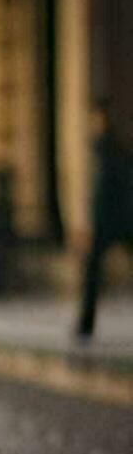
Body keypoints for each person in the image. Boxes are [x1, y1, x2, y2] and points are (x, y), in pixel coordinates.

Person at [76, 119, 133, 339]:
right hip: (119, 222)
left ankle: (85, 324)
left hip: (110, 224)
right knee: (91, 270)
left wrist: (91, 226)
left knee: (91, 270)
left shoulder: (106, 156)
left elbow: (99, 197)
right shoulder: (113, 154)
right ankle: (85, 324)